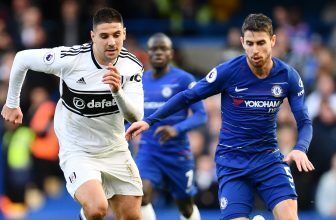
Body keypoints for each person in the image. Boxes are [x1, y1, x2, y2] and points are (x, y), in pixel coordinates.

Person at [126, 13, 315, 220]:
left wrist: (300, 148)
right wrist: (149, 120)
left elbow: (304, 120)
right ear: (242, 42)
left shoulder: (287, 76)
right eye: (250, 43)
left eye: (261, 43)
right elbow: (188, 96)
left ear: (273, 41)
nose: (255, 50)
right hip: (232, 163)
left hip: (268, 160)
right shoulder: (228, 71)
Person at [2, 7, 144, 220]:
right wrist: (12, 103)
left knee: (131, 216)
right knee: (97, 208)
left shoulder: (131, 66)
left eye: (116, 35)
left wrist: (117, 92)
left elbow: (135, 116)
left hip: (114, 148)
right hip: (78, 149)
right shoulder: (72, 59)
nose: (111, 42)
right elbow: (22, 59)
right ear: (93, 36)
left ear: (124, 33)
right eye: (104, 36)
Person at [137, 33, 207, 220]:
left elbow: (201, 115)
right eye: (154, 49)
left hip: (177, 153)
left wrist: (176, 130)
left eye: (163, 49)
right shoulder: (140, 81)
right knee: (141, 194)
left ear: (171, 53)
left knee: (185, 206)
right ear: (148, 53)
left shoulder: (184, 79)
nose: (159, 52)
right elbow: (133, 116)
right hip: (149, 150)